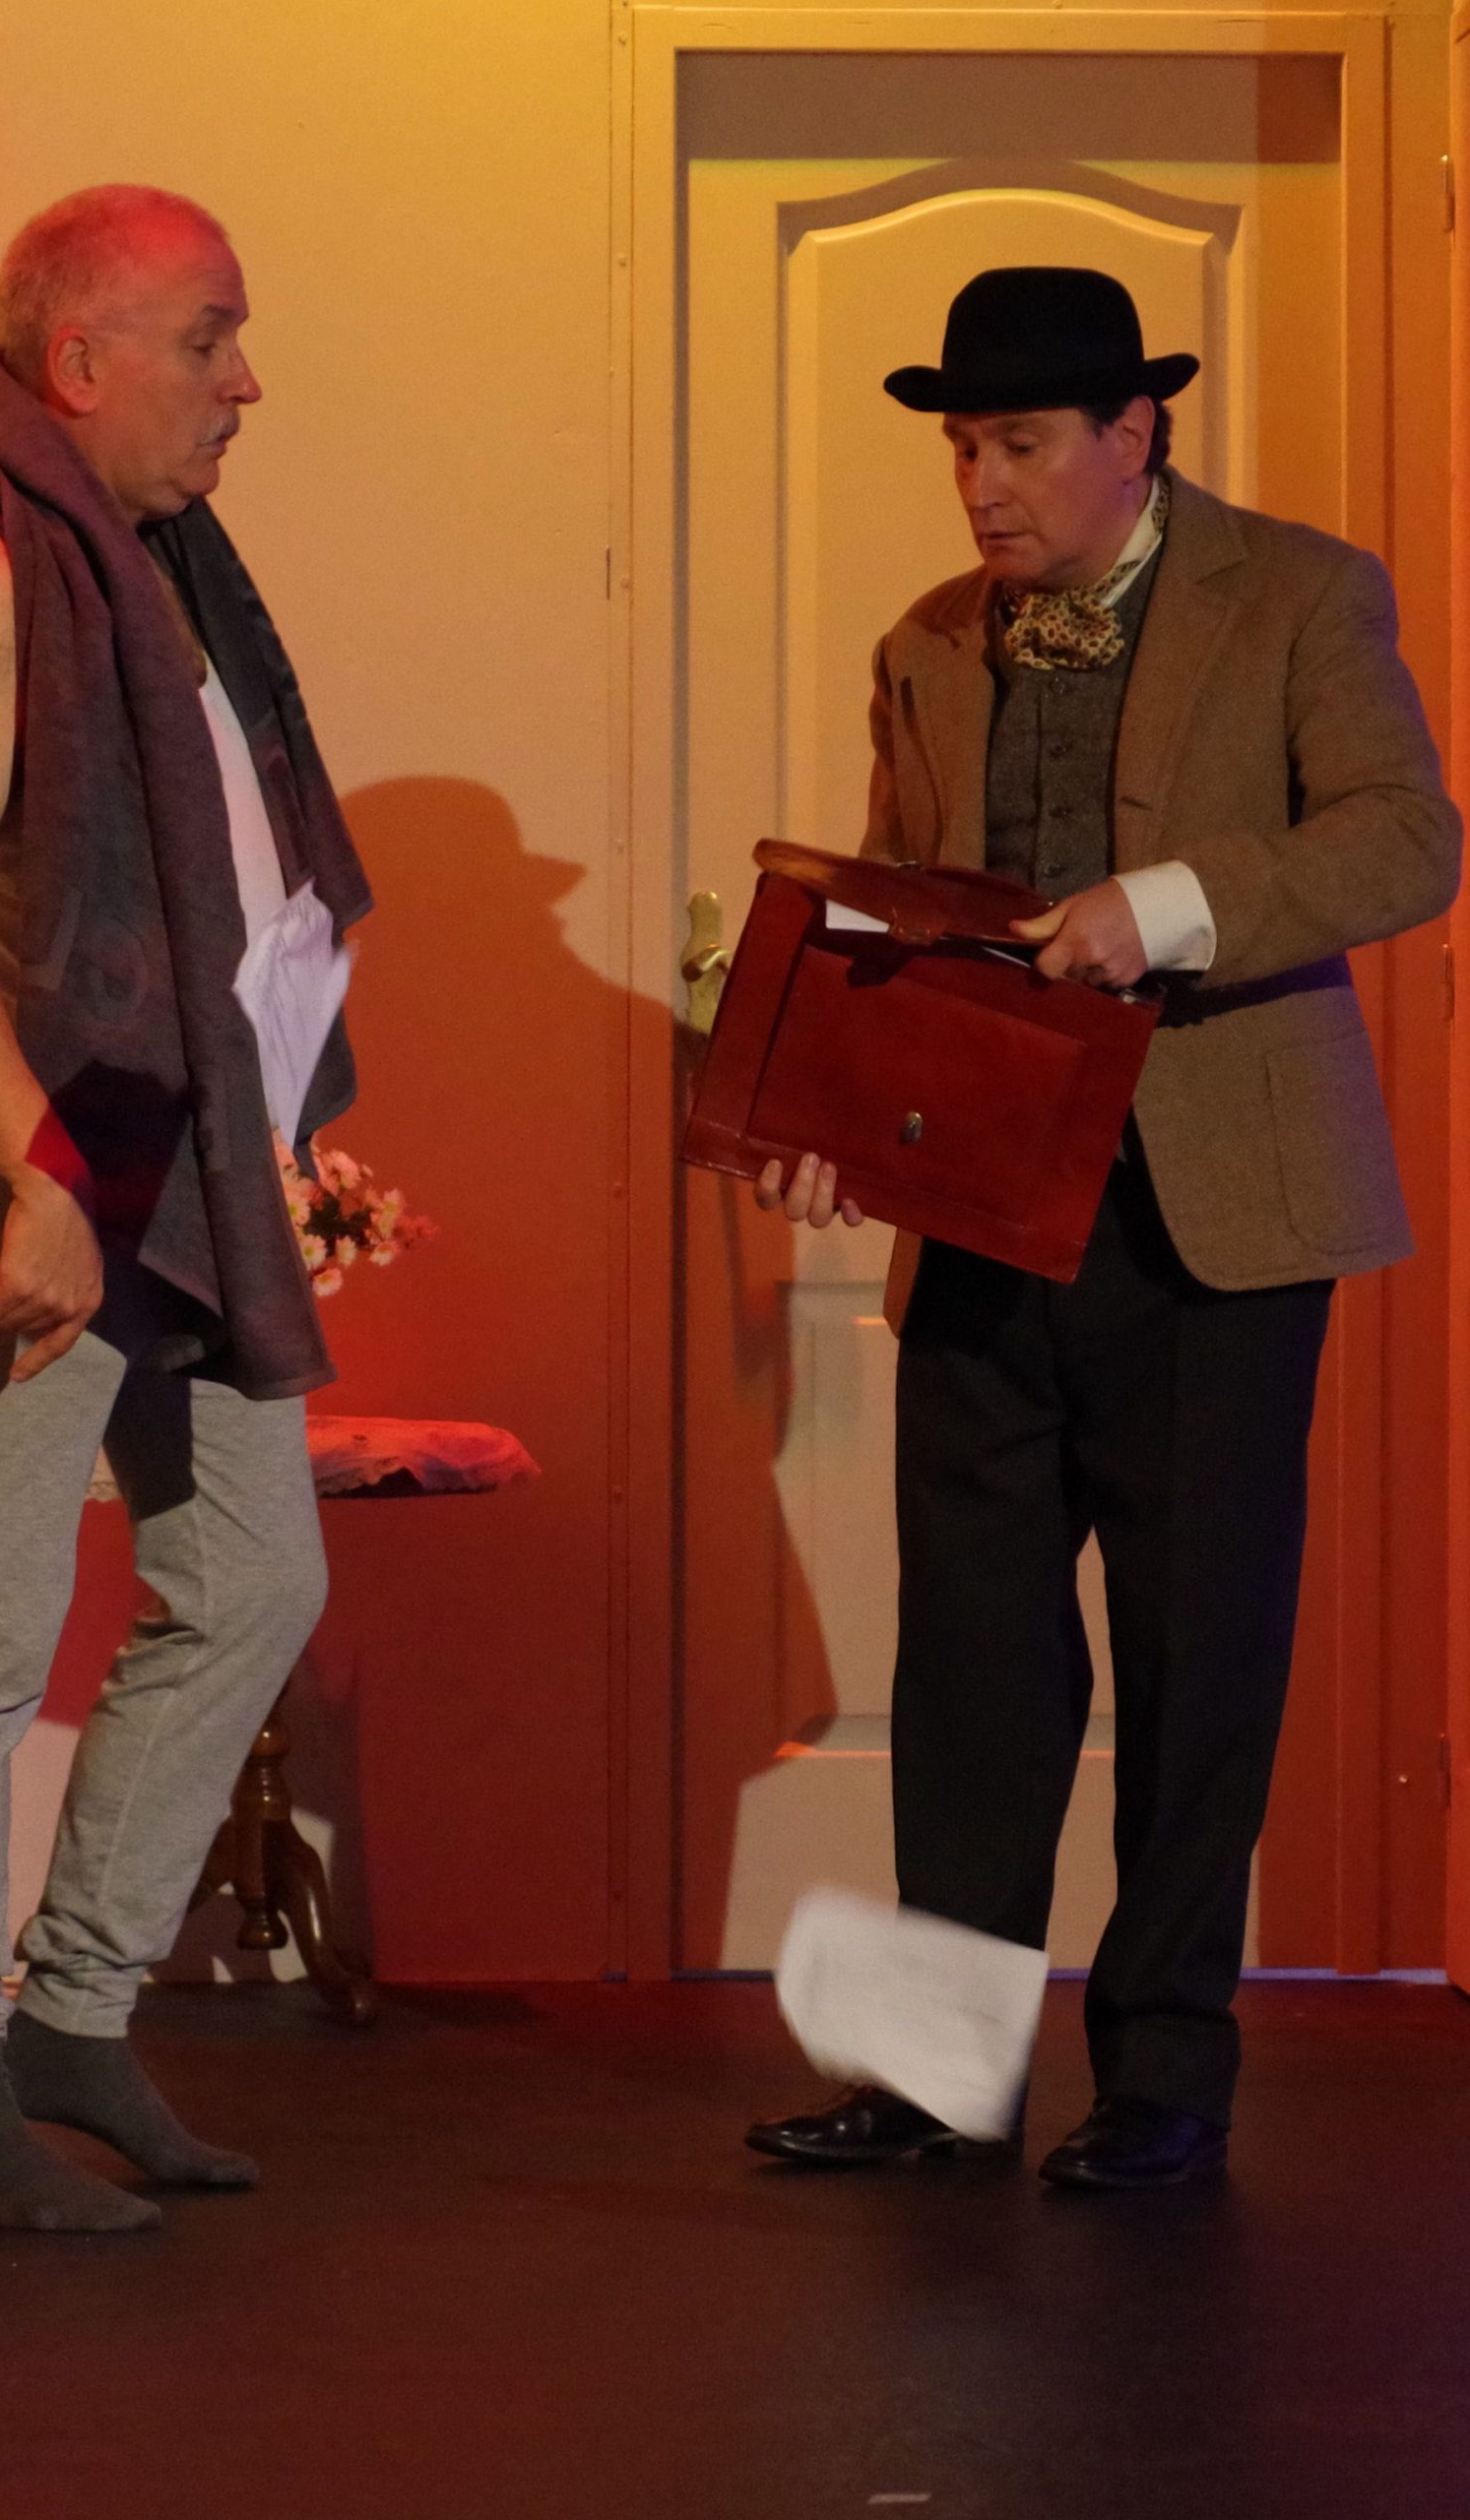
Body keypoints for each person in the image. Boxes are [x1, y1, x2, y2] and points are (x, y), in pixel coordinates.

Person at [746, 267, 1460, 2189]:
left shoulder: (1295, 593)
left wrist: (1169, 905)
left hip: (1211, 1220)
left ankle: (1162, 2077)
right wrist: (832, 1124)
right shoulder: (928, 640)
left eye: (1017, 443)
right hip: (984, 1215)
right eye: (960, 448)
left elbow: (1408, 835)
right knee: (970, 1659)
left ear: (1131, 432)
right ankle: (936, 2075)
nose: (979, 483)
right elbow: (911, 927)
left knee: (1191, 1656)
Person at [0, 185, 371, 2231]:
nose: (243, 382)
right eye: (207, 338)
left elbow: (218, 912)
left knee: (253, 1580)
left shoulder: (151, 577)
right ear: (79, 363)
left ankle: (74, 2012)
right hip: (23, 1154)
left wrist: (255, 1125)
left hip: (157, 1154)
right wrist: (43, 1170)